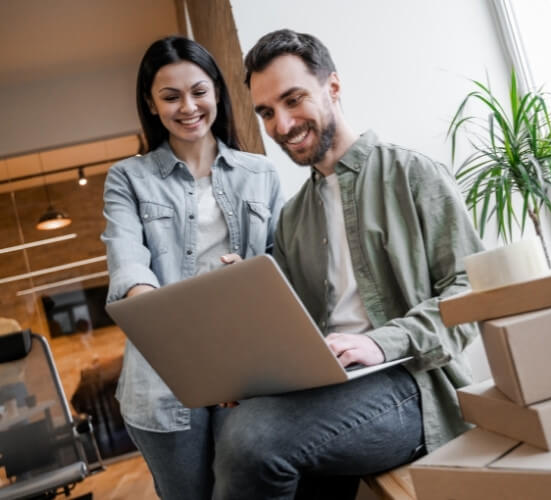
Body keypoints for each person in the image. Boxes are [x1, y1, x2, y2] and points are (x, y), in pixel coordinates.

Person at [213, 29, 484, 499]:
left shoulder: (412, 174)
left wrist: (383, 343)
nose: (281, 125)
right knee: (243, 427)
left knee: (250, 440)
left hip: (410, 382)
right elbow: (295, 323)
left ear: (332, 87)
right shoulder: (293, 216)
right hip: (330, 385)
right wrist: (250, 366)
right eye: (266, 112)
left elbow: (471, 291)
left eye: (293, 99)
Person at [101, 36, 283, 500]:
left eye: (199, 91)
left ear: (218, 92)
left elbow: (285, 268)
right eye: (170, 96)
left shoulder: (260, 173)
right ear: (151, 103)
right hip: (163, 381)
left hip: (246, 374)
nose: (188, 107)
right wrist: (200, 364)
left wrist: (255, 280)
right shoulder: (128, 178)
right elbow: (130, 274)